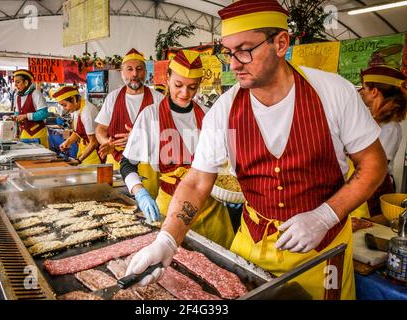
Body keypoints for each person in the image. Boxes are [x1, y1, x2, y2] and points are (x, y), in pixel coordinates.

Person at [125, 0, 387, 300]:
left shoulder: (333, 93)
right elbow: (198, 181)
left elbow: (374, 164)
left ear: (281, 43)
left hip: (321, 252)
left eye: (245, 50)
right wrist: (168, 240)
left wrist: (324, 216)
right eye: (228, 52)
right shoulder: (223, 111)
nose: (234, 63)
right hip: (252, 245)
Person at [120, 50, 235, 248]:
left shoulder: (209, 115)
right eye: (178, 85)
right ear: (167, 79)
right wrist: (140, 193)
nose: (185, 93)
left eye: (192, 87)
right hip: (171, 207)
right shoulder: (150, 116)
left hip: (212, 211)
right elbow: (127, 164)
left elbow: (226, 164)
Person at [95, 48, 164, 198]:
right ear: (122, 73)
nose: (134, 74)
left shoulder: (158, 99)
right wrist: (106, 141)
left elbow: (168, 132)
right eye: (130, 69)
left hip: (147, 162)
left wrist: (140, 137)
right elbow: (100, 129)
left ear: (145, 72)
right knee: (115, 202)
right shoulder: (113, 97)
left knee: (149, 201)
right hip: (116, 159)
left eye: (139, 69)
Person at [359, 65, 407, 216]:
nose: (361, 92)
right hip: (363, 186)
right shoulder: (374, 122)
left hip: (373, 189)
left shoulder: (390, 127)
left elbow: (374, 165)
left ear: (374, 91)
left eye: (364, 88)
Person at [52, 85, 102, 165]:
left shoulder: (87, 112)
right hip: (84, 148)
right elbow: (78, 132)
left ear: (74, 99)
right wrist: (67, 142)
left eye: (65, 105)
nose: (64, 108)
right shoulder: (76, 109)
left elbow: (94, 142)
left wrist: (79, 160)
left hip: (95, 152)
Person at [12, 69, 49, 148]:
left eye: (18, 82)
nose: (15, 85)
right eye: (14, 82)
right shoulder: (17, 96)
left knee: (40, 157)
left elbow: (44, 113)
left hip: (38, 132)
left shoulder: (36, 94)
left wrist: (26, 116)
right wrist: (15, 116)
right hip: (24, 131)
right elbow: (18, 112)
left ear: (26, 82)